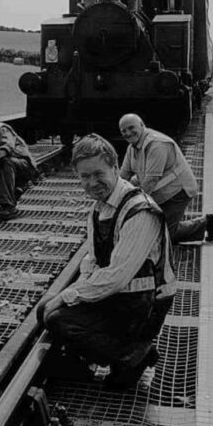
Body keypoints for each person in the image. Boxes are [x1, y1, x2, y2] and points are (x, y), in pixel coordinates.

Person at [39, 134, 175, 388]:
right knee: (44, 310)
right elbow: (92, 259)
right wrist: (72, 290)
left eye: (98, 173)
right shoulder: (100, 206)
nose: (92, 182)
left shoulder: (139, 211)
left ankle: (134, 354)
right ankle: (82, 363)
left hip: (144, 305)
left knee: (59, 319)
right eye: (84, 176)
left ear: (115, 167)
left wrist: (69, 296)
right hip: (120, 297)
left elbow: (117, 276)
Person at [118, 114, 213, 243]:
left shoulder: (156, 145)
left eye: (131, 128)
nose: (128, 133)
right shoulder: (132, 148)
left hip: (178, 191)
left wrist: (133, 206)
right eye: (123, 131)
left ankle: (206, 223)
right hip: (160, 193)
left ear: (142, 125)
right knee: (151, 230)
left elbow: (150, 182)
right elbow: (123, 175)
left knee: (165, 237)